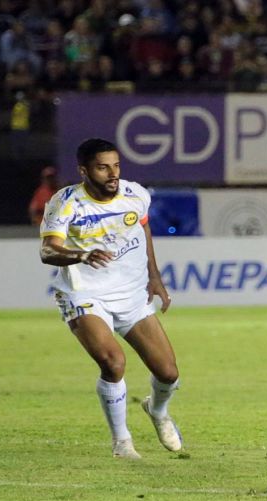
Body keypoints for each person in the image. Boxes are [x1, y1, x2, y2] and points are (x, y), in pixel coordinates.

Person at [38, 138, 183, 459]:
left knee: (168, 373)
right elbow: (47, 250)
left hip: (131, 293)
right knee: (113, 362)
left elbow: (142, 229)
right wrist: (82, 254)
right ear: (84, 171)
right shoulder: (66, 203)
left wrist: (155, 277)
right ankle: (122, 442)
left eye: (116, 166)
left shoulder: (135, 194)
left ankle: (157, 411)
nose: (112, 173)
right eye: (103, 168)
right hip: (84, 293)